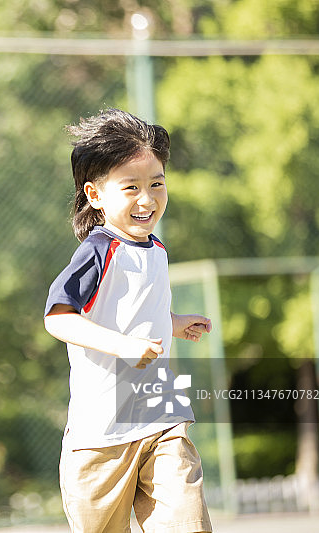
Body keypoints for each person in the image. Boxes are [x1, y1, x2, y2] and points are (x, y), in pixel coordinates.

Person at [44, 108, 213, 533]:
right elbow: (58, 319)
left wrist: (173, 323)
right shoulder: (98, 250)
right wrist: (124, 346)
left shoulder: (156, 248)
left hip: (160, 410)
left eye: (156, 183)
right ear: (96, 195)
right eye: (131, 187)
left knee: (188, 524)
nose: (147, 199)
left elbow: (137, 309)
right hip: (101, 433)